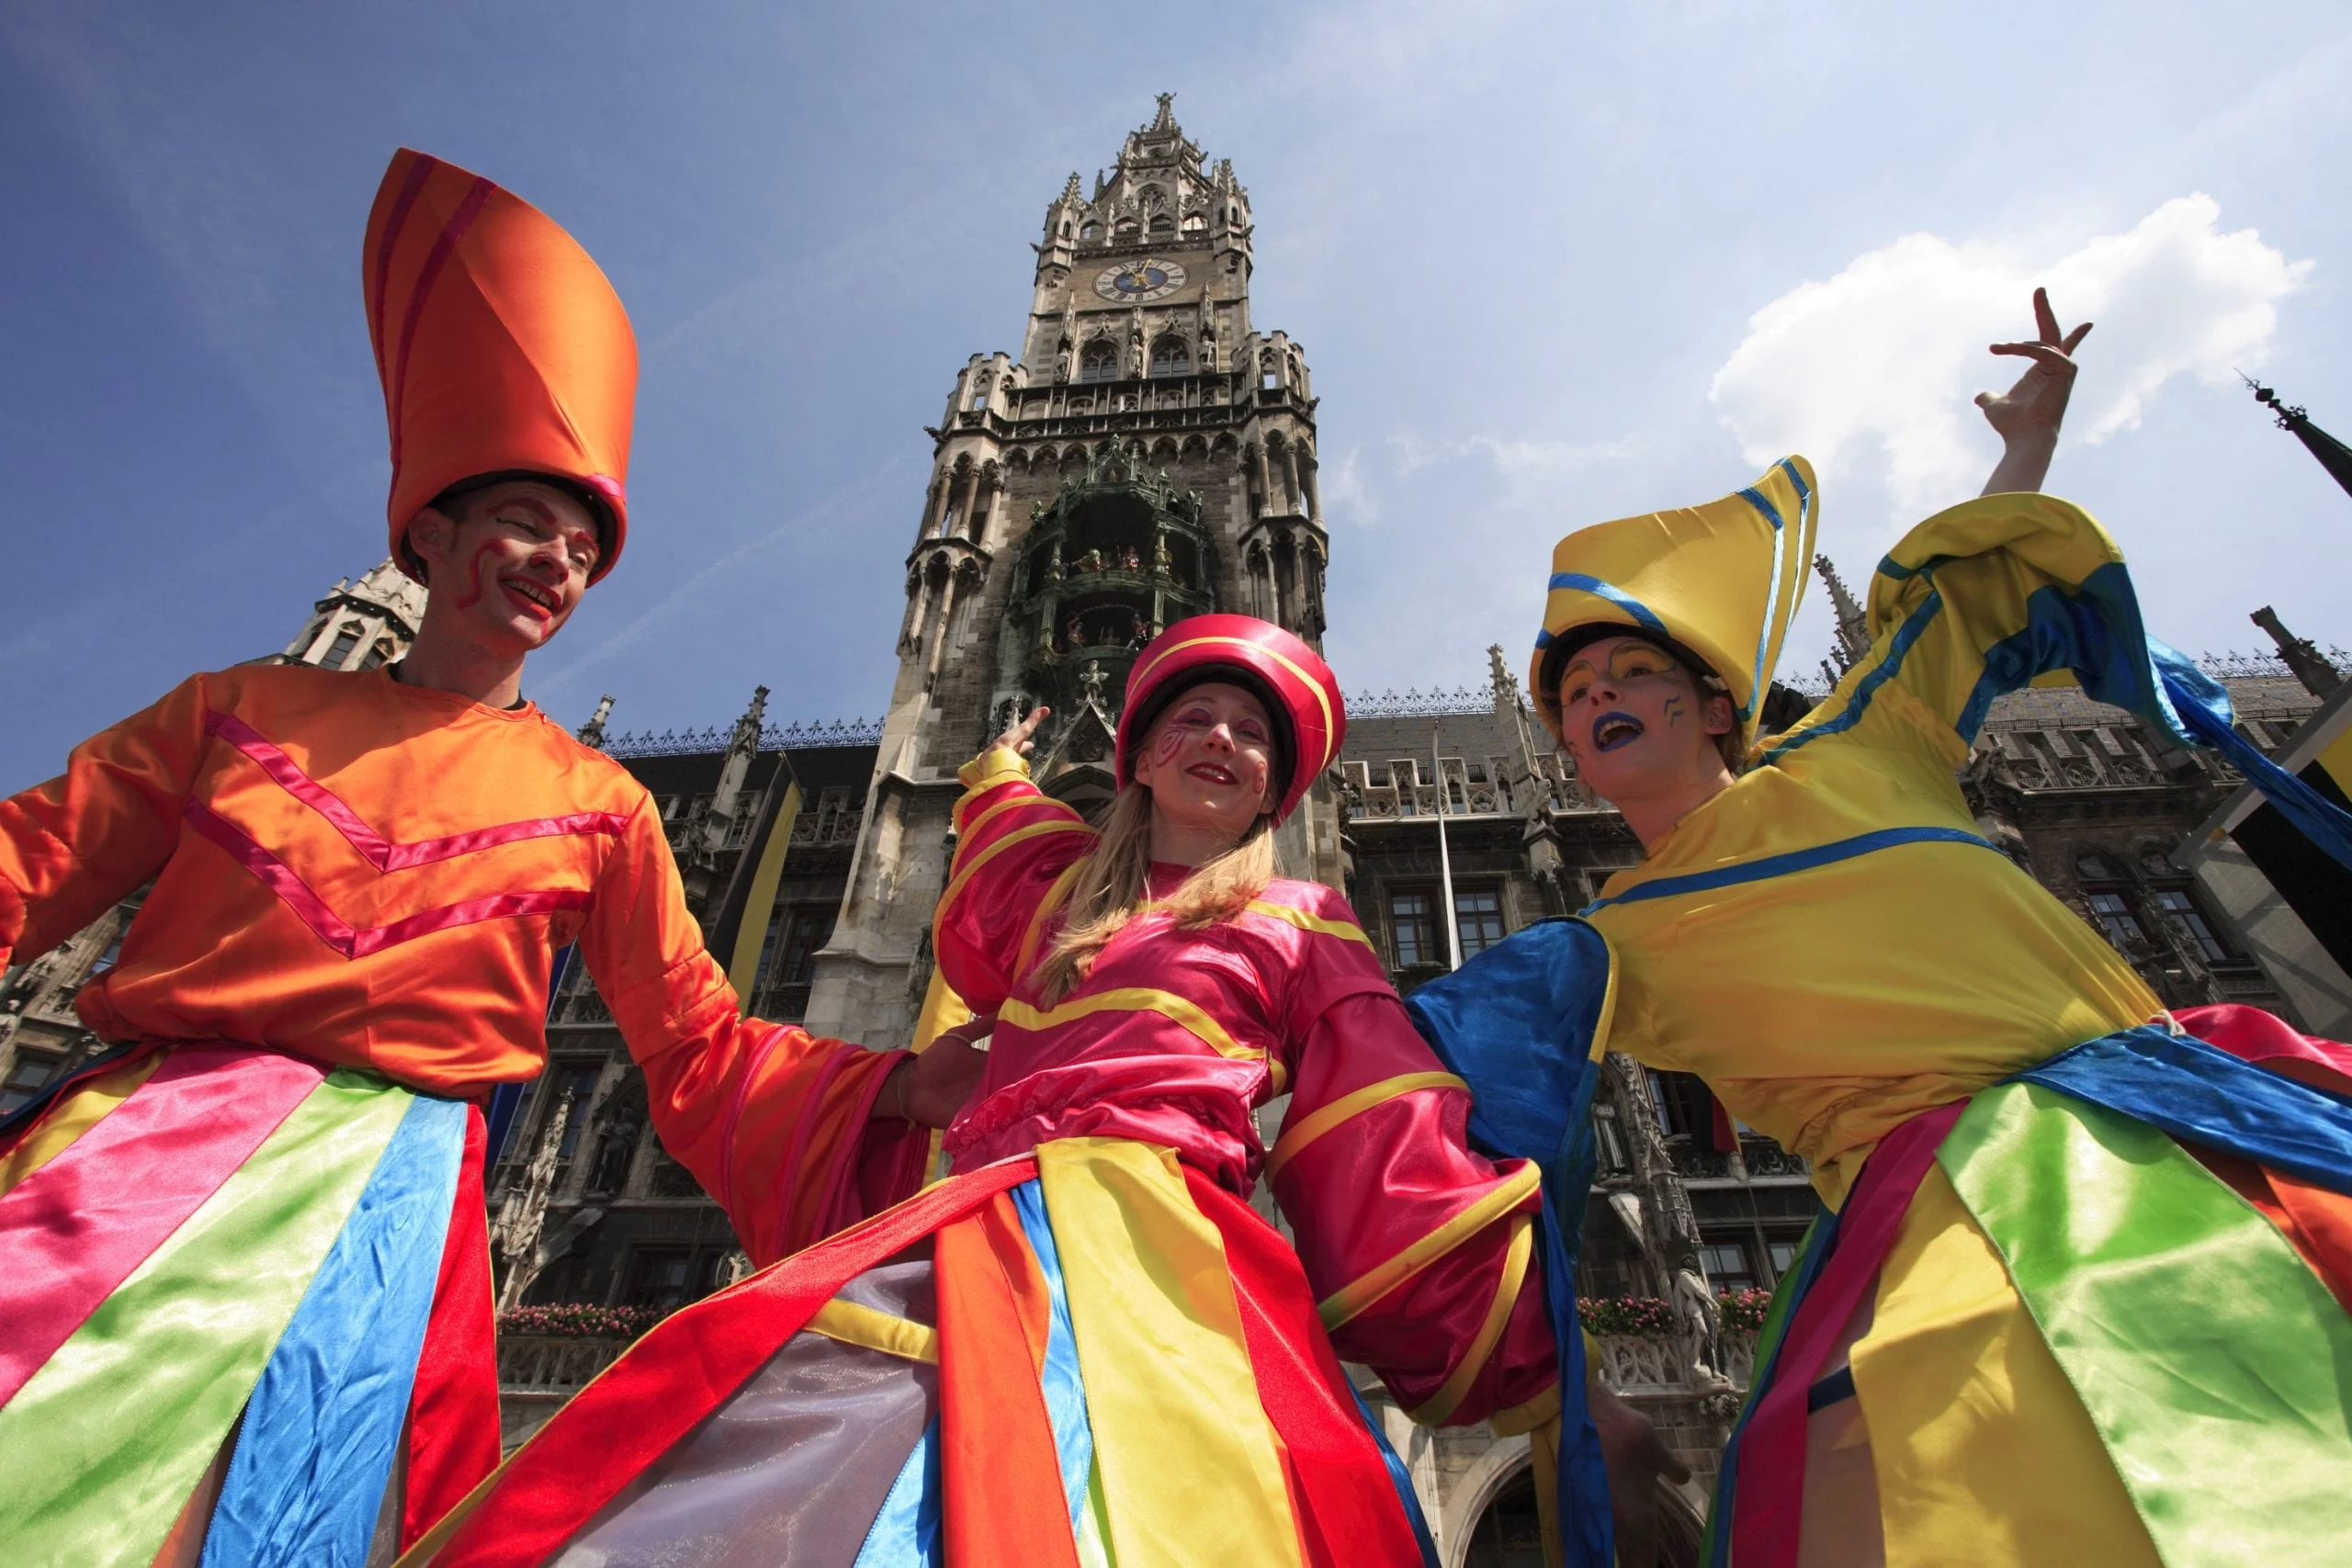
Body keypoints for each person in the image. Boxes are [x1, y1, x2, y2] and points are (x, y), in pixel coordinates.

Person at [0, 150, 981, 1567]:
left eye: (584, 545)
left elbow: (696, 1045)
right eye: (527, 520)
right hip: (148, 1144)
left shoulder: (601, 802)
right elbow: (36, 859)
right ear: (431, 529)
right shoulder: (235, 708)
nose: (556, 560)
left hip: (388, 1222)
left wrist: (899, 1081)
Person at [1410, 291, 2352, 1567]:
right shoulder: (1610, 940)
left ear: (1712, 701)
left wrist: (2026, 443)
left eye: (1629, 673)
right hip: (1932, 1219)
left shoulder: (1866, 743)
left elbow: (1954, 593)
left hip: (2184, 1122)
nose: (1599, 698)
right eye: (1576, 696)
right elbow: (1431, 1055)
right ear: (1562, 750)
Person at [401, 613, 1650, 1567]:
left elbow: (1373, 1143)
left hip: (1174, 1252)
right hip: (982, 1219)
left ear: (1277, 787)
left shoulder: (1306, 920)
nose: (1221, 737)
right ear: (1143, 756)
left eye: (1252, 730)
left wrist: (1539, 1373)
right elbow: (996, 841)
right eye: (1193, 717)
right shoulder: (1061, 895)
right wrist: (995, 759)